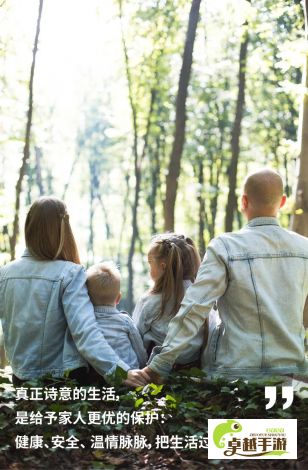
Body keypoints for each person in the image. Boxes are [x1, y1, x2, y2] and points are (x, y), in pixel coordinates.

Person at [138, 169, 308, 382]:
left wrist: (159, 364)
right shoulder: (305, 249)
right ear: (283, 202)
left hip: (235, 375)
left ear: (243, 201)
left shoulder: (225, 247)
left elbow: (195, 308)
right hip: (292, 375)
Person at [0, 197, 147, 387]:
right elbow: (85, 333)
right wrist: (119, 372)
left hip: (21, 379)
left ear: (29, 226)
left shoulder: (4, 274)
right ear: (63, 229)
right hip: (63, 380)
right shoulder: (70, 273)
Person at [132, 233, 208, 365]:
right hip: (194, 369)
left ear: (163, 266)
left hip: (157, 371)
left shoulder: (149, 301)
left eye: (150, 263)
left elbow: (135, 338)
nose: (149, 268)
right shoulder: (202, 297)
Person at [86, 261, 147, 369]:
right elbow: (139, 350)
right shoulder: (125, 321)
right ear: (118, 298)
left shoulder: (85, 322)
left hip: (98, 376)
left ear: (87, 298)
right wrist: (143, 367)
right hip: (129, 374)